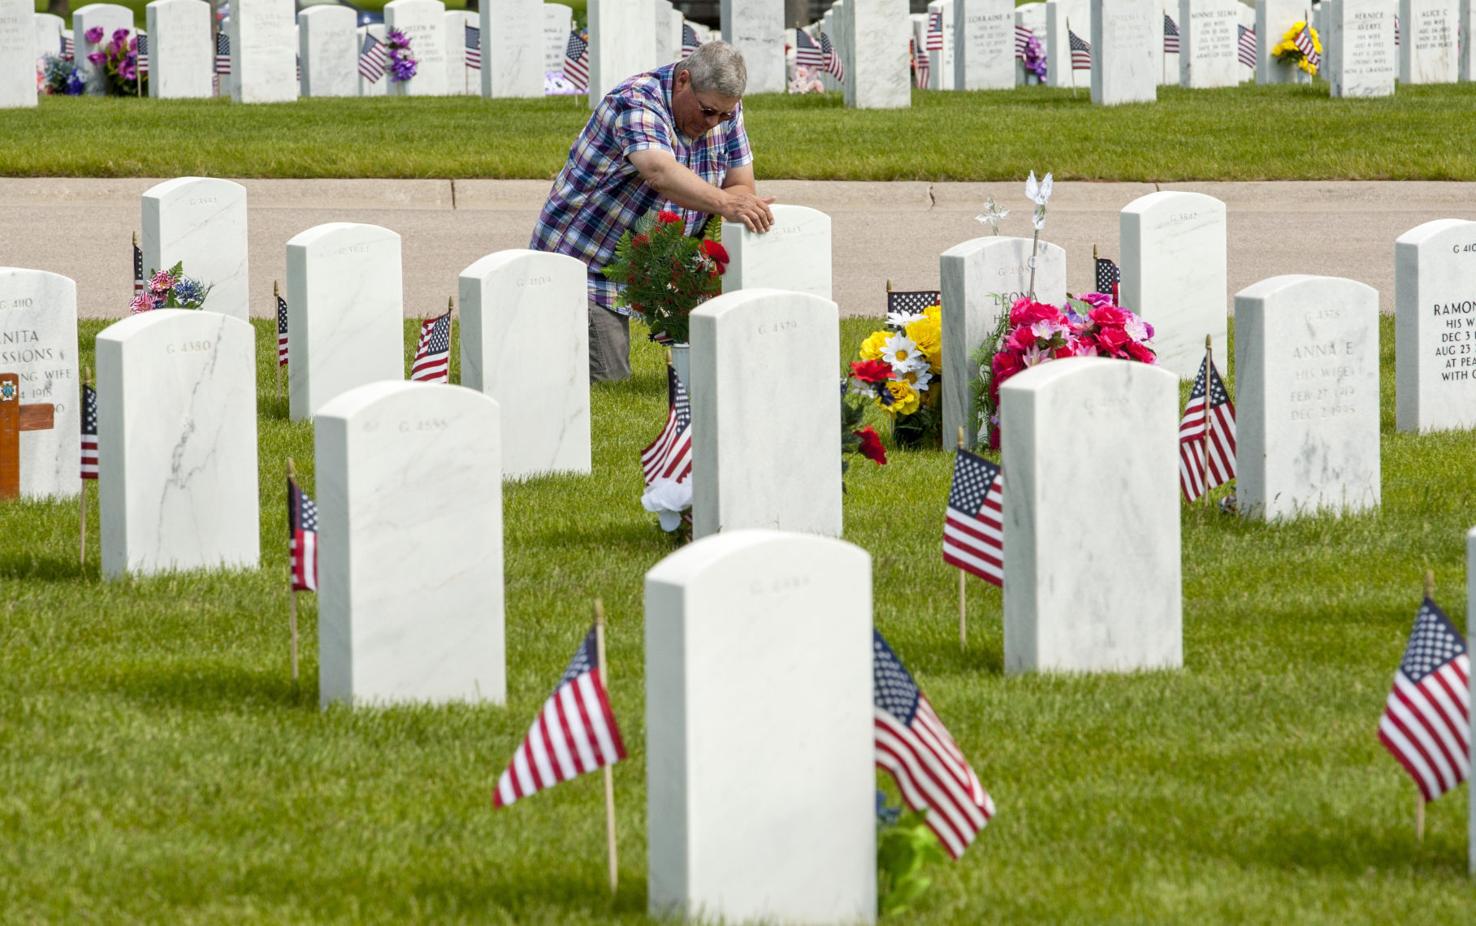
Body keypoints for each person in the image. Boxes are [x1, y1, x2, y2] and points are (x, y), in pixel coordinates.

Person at [530, 41, 776, 382]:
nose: (715, 123)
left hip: (659, 268)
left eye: (725, 115)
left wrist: (738, 202)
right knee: (609, 381)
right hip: (585, 267)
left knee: (722, 374)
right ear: (683, 80)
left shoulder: (722, 109)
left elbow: (740, 183)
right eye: (708, 112)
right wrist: (724, 203)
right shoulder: (635, 101)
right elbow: (660, 173)